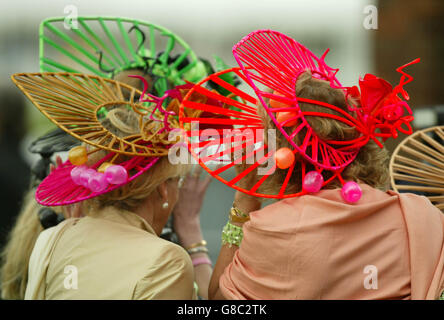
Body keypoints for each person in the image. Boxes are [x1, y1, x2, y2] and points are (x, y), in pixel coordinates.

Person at [195, 30, 444, 300]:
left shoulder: (274, 230)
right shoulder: (420, 216)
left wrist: (244, 200)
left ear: (278, 154)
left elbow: (220, 298)